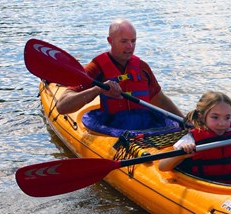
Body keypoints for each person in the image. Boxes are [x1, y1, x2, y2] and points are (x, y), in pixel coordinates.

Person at [55, 18, 183, 132]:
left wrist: (185, 121)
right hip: (114, 129)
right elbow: (62, 107)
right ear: (110, 41)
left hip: (144, 128)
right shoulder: (96, 67)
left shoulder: (142, 67)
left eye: (133, 41)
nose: (130, 46)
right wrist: (97, 89)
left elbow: (160, 99)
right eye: (124, 41)